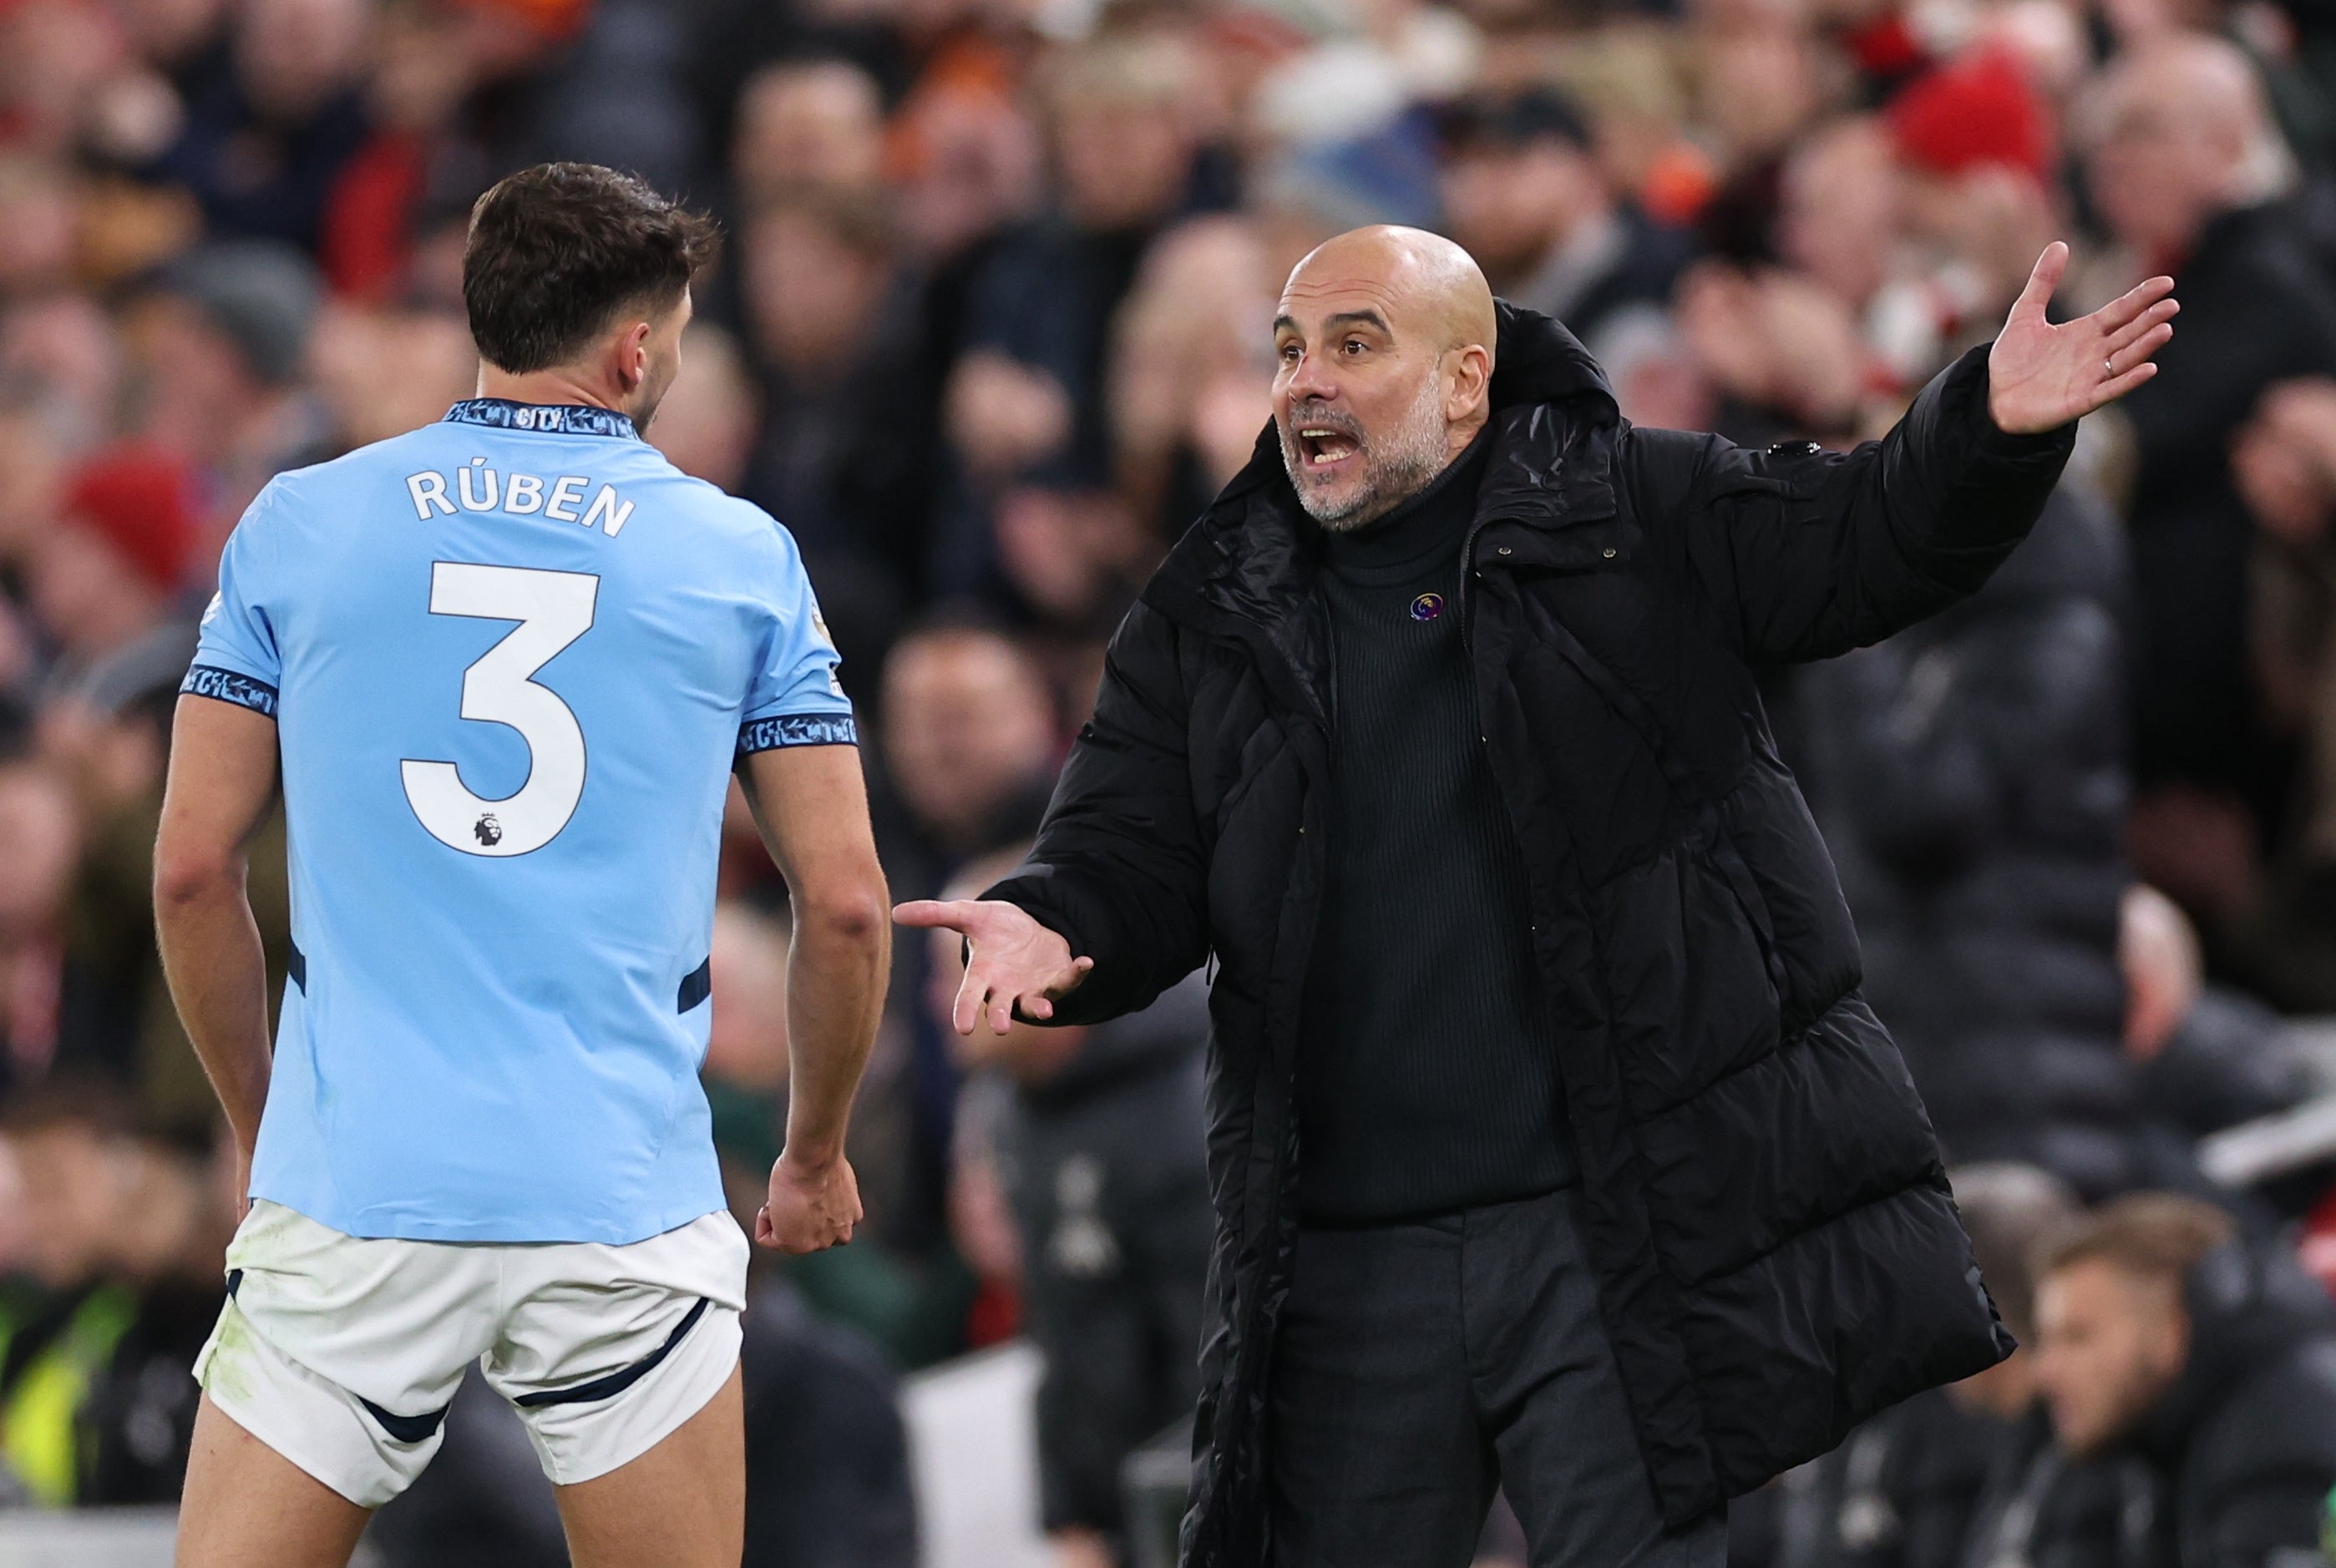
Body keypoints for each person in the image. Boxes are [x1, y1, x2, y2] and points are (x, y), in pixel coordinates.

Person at [899, 224, 2177, 1568]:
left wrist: (1984, 424)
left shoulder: (1630, 511)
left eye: (1352, 343)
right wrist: (1057, 917)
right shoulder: (1208, 608)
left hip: (1607, 1229)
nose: (1304, 383)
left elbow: (1862, 537)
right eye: (1286, 351)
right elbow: (1129, 841)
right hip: (1341, 1249)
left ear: (1465, 379)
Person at [152, 162, 891, 1568]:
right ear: (634, 349)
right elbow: (847, 902)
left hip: (359, 1179)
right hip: (616, 1196)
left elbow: (192, 870)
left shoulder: (300, 525)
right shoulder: (737, 556)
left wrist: (266, 1120)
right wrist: (812, 1148)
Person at [1791, 485, 2144, 1197]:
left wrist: (1846, 635)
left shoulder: (2050, 639)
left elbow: (1917, 816)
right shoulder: (1941, 642)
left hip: (2010, 1111)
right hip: (1934, 1084)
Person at [931, 847, 1214, 1568]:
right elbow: (1066, 1333)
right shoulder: (1020, 1110)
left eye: (961, 972)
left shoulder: (1185, 1105)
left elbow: (1217, 1347)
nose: (941, 1005)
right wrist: (1073, 1514)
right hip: (1117, 1523)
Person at [2030, 1194, 2336, 1568]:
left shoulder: (2277, 1435)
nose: (2045, 1370)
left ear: (2173, 1329)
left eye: (2078, 1337)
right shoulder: (2169, 1435)